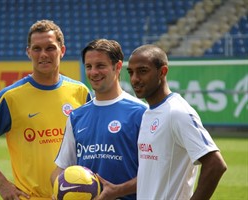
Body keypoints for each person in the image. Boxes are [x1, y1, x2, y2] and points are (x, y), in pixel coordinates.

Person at [0, 19, 92, 200]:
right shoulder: (11, 97)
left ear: (62, 51)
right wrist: (2, 183)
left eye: (50, 48)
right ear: (28, 52)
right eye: (37, 48)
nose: (43, 54)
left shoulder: (81, 92)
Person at [50, 39, 148, 200]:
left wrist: (117, 191)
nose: (93, 72)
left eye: (100, 66)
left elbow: (156, 173)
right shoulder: (76, 117)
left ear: (117, 67)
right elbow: (60, 169)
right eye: (89, 66)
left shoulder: (140, 113)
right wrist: (59, 190)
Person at [127, 44, 227, 200]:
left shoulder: (177, 112)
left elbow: (216, 164)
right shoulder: (148, 112)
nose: (134, 79)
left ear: (162, 72)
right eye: (131, 72)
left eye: (142, 71)